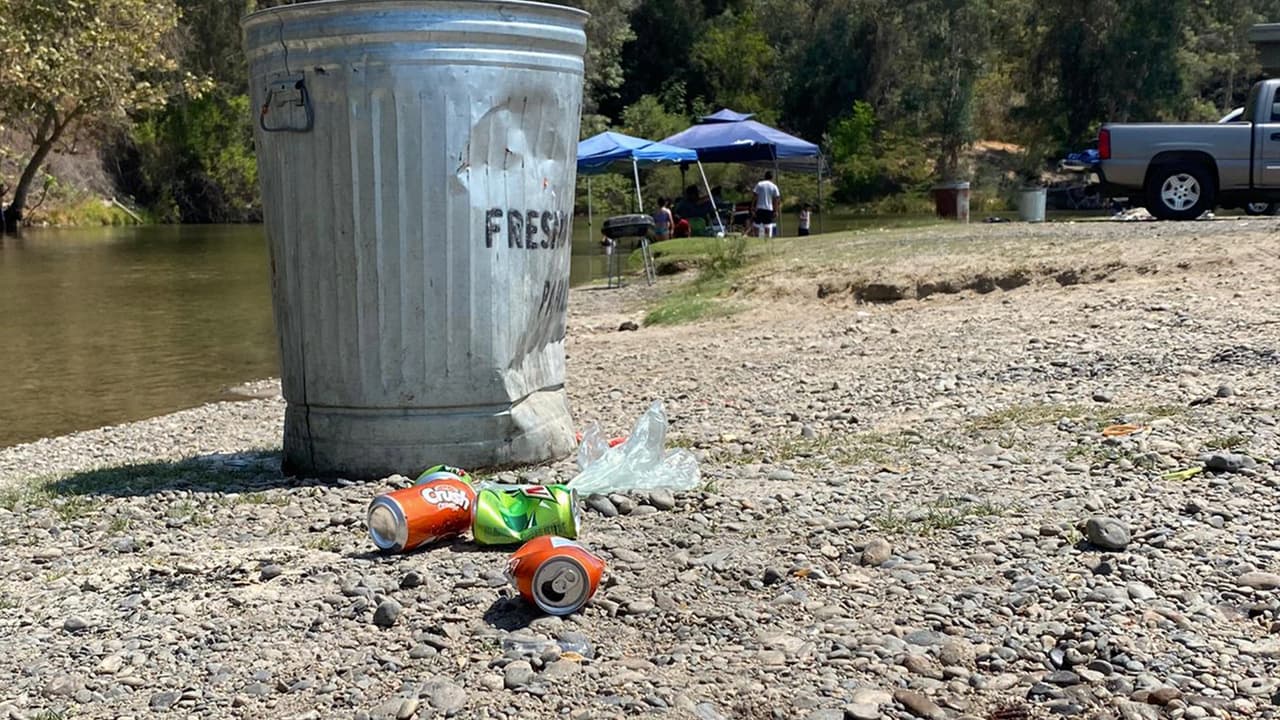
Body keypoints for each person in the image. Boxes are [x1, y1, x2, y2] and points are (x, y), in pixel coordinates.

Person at [752, 171, 781, 238]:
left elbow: (754, 196)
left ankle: (756, 238)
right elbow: (776, 199)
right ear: (772, 178)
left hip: (759, 208)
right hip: (768, 209)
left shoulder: (759, 184)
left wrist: (752, 207)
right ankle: (767, 239)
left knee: (756, 225)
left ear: (765, 176)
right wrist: (776, 211)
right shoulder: (774, 186)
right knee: (767, 226)